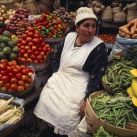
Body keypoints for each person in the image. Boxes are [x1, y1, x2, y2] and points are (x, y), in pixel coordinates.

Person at [34, 7, 108, 135]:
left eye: (93, 26)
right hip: (61, 78)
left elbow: (96, 76)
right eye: (86, 25)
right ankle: (49, 130)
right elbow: (57, 59)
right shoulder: (69, 37)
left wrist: (86, 100)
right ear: (77, 28)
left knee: (67, 113)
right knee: (46, 98)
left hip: (79, 84)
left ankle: (63, 132)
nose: (90, 30)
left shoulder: (99, 47)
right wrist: (55, 75)